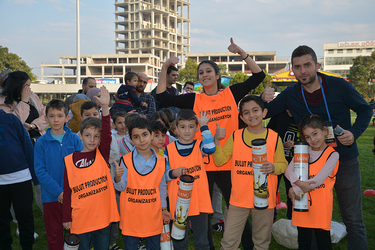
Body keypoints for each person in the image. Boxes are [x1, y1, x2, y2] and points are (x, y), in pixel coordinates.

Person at [156, 38, 266, 249]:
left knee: (237, 206)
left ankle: (249, 245)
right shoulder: (193, 100)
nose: (204, 75)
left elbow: (259, 76)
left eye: (208, 71)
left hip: (229, 161)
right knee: (203, 211)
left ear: (217, 76)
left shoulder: (231, 94)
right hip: (203, 163)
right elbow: (161, 95)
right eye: (201, 72)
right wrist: (165, 67)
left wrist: (241, 52)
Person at [262, 45, 372, 249]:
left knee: (353, 219)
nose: (302, 71)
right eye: (297, 67)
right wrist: (263, 98)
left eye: (307, 65)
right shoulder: (290, 94)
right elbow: (263, 112)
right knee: (308, 218)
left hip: (344, 158)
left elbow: (365, 110)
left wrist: (353, 133)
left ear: (317, 65)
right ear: (292, 69)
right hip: (308, 164)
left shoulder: (339, 85)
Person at [212, 95, 288, 250]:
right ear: (241, 117)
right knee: (228, 241)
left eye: (255, 110)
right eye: (246, 112)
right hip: (238, 199)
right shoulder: (236, 135)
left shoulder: (274, 137)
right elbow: (220, 160)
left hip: (264, 199)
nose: (251, 115)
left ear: (264, 112)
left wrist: (273, 167)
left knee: (261, 242)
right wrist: (216, 141)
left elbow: (283, 164)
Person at [62, 86, 120, 250]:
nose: (92, 140)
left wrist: (105, 107)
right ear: (79, 136)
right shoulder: (70, 160)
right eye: (88, 135)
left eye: (96, 136)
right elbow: (67, 191)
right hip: (80, 218)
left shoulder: (101, 155)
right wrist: (66, 216)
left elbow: (107, 135)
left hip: (102, 218)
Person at [113, 117, 178, 250]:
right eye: (136, 137)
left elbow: (161, 187)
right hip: (131, 216)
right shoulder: (125, 160)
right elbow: (121, 187)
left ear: (151, 135)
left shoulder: (161, 161)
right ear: (131, 139)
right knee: (130, 246)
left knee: (154, 246)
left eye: (144, 135)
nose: (141, 140)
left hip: (152, 216)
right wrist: (118, 178)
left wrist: (164, 209)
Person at [34, 100, 83, 250]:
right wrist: (58, 192)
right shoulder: (41, 143)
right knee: (54, 234)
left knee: (76, 233)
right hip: (51, 197)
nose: (56, 120)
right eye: (52, 116)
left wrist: (71, 191)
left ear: (67, 118)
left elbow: (81, 165)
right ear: (46, 118)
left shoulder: (75, 139)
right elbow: (40, 171)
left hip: (74, 196)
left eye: (60, 116)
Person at [286, 114, 339, 249]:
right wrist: (299, 184)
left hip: (321, 208)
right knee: (303, 242)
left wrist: (295, 189)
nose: (312, 140)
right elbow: (287, 171)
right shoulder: (302, 151)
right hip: (301, 206)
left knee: (323, 243)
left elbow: (317, 181)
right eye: (307, 137)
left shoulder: (332, 155)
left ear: (325, 131)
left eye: (315, 134)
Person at [165, 109, 215, 250]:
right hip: (179, 204)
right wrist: (174, 173)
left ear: (196, 128)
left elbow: (211, 148)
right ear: (176, 129)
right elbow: (163, 175)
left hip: (200, 201)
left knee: (202, 241)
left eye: (191, 126)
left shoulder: (200, 146)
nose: (187, 131)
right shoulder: (169, 149)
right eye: (183, 127)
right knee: (180, 241)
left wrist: (205, 126)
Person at [0, 110, 36, 250]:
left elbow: (26, 144)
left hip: (21, 177)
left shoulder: (11, 119)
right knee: (1, 220)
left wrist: (33, 174)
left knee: (25, 217)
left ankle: (27, 246)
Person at [267, 109, 299, 220]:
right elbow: (267, 134)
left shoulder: (301, 114)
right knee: (272, 189)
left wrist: (297, 144)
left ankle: (292, 218)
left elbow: (308, 137)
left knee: (292, 189)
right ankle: (271, 217)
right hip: (276, 160)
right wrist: (281, 144)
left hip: (295, 162)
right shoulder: (278, 115)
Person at [109, 111, 128, 250]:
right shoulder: (112, 137)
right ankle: (112, 241)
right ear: (114, 124)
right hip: (114, 177)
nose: (122, 125)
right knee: (115, 209)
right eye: (119, 122)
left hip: (130, 180)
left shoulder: (132, 137)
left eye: (125, 122)